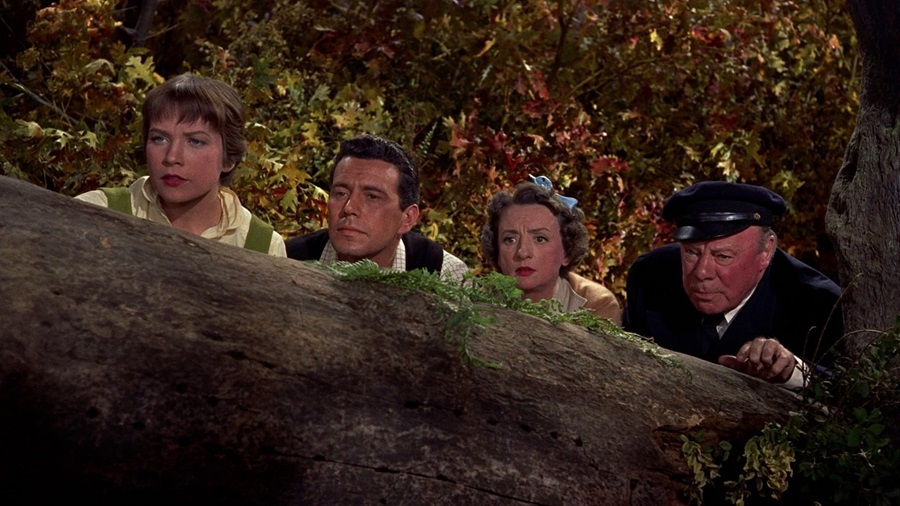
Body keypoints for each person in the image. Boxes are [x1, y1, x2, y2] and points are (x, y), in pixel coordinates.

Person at [622, 181, 843, 386]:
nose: (702, 272)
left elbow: (843, 389)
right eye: (691, 253)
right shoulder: (650, 275)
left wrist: (792, 372)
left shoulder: (818, 303)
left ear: (766, 252)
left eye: (723, 256)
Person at [75, 73, 286, 256]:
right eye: (159, 139)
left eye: (195, 141)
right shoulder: (96, 211)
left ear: (228, 159)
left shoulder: (263, 246)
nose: (172, 157)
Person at [285, 134, 469, 281]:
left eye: (372, 197)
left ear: (407, 218)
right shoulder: (288, 259)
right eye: (341, 193)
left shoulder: (444, 273)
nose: (349, 208)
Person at [480, 177, 621, 323]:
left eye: (540, 239)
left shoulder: (596, 305)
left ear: (566, 251)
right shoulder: (476, 302)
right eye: (510, 240)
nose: (522, 252)